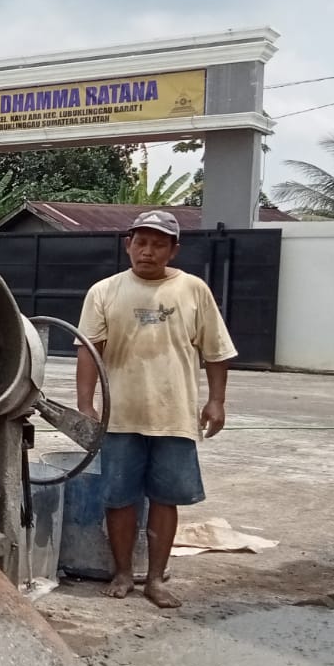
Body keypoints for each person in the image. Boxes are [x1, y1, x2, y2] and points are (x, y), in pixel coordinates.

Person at [75, 209, 237, 610]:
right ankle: (123, 573)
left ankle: (156, 579)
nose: (148, 251)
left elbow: (216, 351)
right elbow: (89, 351)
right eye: (141, 242)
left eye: (158, 244)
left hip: (174, 416)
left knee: (166, 499)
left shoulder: (193, 289)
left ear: (173, 250)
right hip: (120, 416)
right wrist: (85, 404)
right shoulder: (104, 291)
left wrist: (216, 400)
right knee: (118, 498)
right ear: (128, 245)